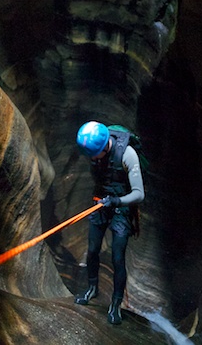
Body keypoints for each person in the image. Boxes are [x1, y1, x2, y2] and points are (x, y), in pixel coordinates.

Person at [74, 121, 145, 325]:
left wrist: (116, 201)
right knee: (93, 249)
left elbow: (139, 194)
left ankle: (116, 304)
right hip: (100, 202)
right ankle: (92, 288)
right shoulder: (94, 153)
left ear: (105, 146)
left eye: (94, 154)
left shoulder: (127, 154)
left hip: (121, 206)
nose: (92, 159)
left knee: (117, 257)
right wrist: (103, 200)